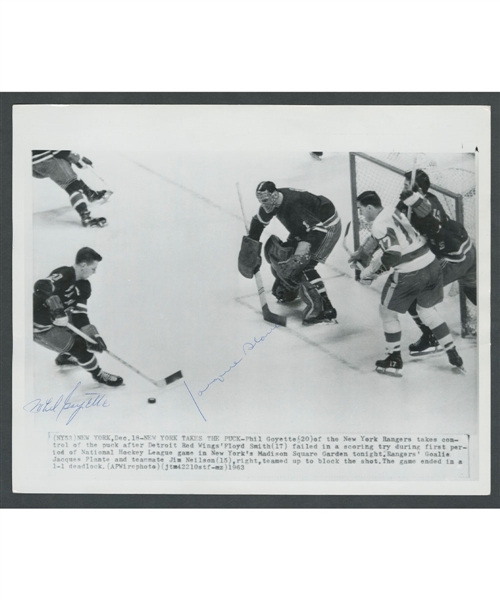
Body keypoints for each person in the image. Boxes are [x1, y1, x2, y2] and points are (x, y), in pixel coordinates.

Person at [355, 190, 463, 376]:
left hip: (410, 272)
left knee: (387, 312)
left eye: (361, 209)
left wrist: (373, 272)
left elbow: (393, 254)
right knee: (426, 311)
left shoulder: (378, 225)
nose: (361, 214)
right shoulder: (392, 210)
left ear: (370, 207)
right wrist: (365, 254)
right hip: (431, 264)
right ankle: (452, 351)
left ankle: (394, 358)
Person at [396, 169, 477, 355]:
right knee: (474, 290)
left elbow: (431, 224)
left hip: (453, 259)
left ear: (418, 190)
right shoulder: (416, 200)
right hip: (466, 247)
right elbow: (396, 220)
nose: (403, 188)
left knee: (412, 296)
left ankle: (431, 338)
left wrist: (415, 203)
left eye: (407, 186)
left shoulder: (427, 203)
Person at [238, 181, 341, 325]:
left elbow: (318, 229)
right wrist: (251, 247)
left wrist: (301, 253)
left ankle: (324, 308)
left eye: (265, 200)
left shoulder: (294, 204)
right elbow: (258, 222)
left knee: (304, 265)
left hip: (326, 226)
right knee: (284, 255)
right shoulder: (272, 203)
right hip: (305, 227)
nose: (263, 204)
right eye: (260, 201)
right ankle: (289, 288)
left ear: (274, 195)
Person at [33, 247, 123, 386]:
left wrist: (93, 336)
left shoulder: (84, 286)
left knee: (85, 339)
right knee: (80, 347)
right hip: (40, 326)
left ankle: (65, 358)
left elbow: (80, 314)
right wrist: (57, 310)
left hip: (58, 321)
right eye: (93, 268)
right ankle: (99, 375)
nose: (95, 272)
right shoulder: (64, 274)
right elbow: (41, 286)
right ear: (83, 265)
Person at [32, 150, 110, 227]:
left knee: (70, 176)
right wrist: (77, 159)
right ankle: (86, 217)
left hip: (33, 164)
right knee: (72, 184)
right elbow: (58, 151)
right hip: (47, 159)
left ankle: (91, 194)